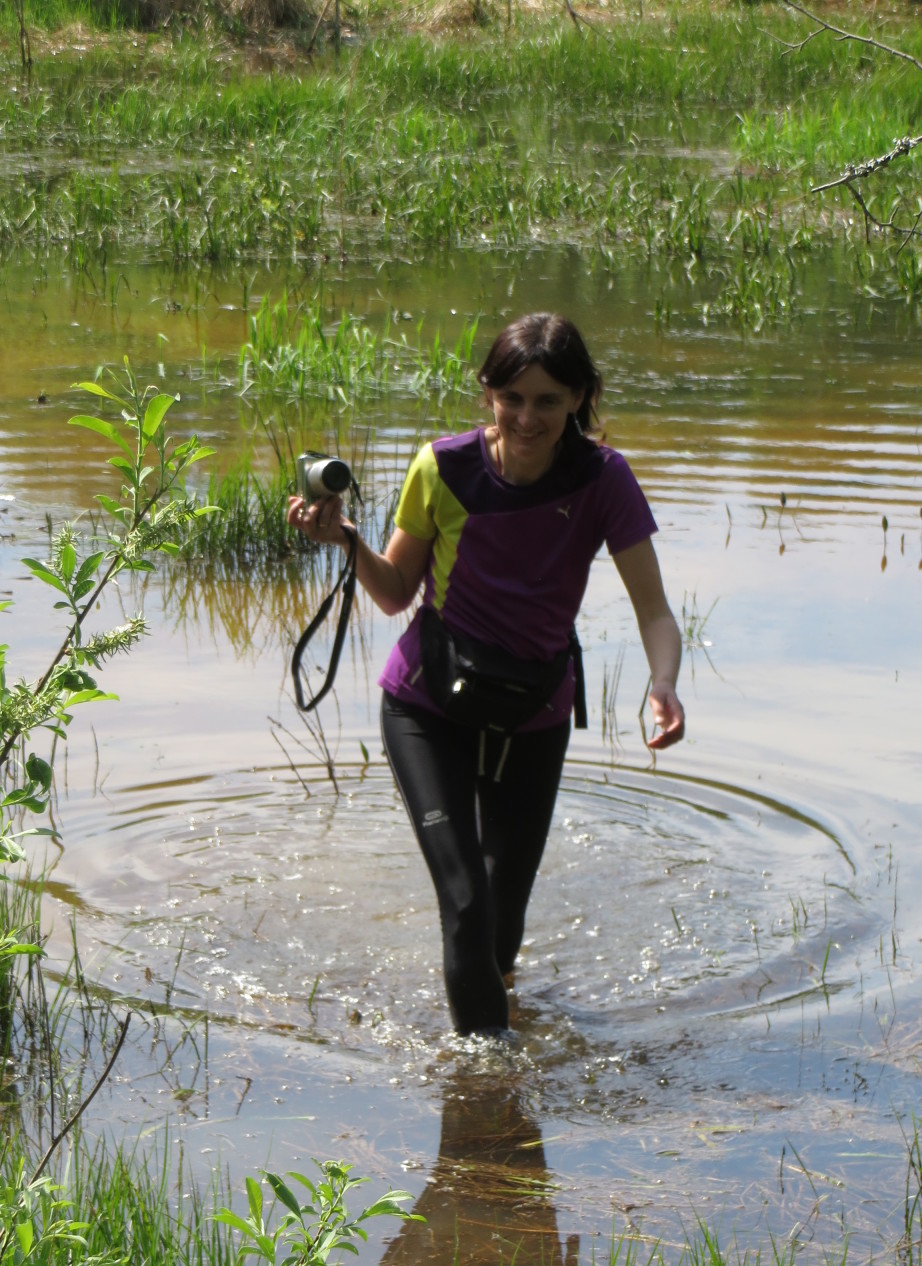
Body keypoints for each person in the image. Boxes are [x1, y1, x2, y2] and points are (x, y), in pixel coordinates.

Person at [287, 312, 685, 1035]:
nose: (528, 419)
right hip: (427, 708)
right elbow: (395, 593)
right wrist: (345, 539)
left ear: (579, 398)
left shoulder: (603, 479)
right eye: (512, 399)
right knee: (466, 902)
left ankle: (490, 1044)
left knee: (501, 925)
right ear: (488, 394)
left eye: (548, 401)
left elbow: (654, 611)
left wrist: (663, 682)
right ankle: (486, 1081)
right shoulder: (443, 467)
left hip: (534, 714)